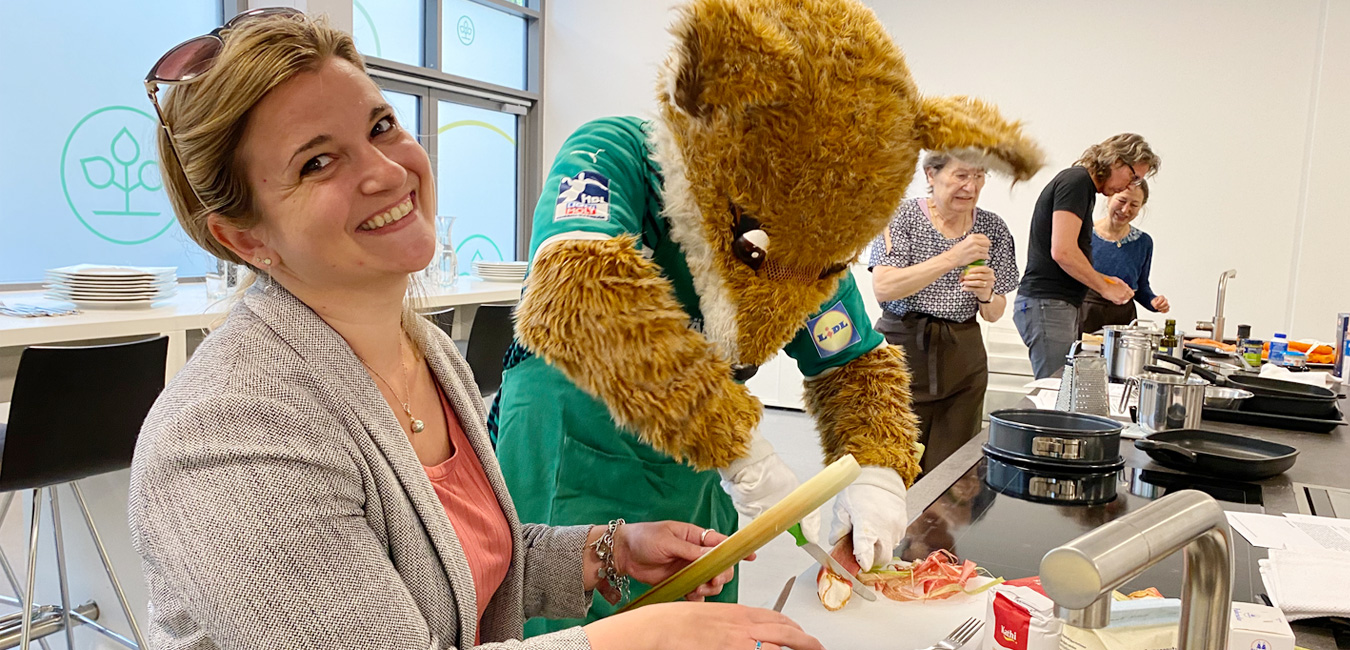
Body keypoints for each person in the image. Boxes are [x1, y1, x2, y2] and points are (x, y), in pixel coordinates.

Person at [128, 10, 825, 650]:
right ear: (244, 238)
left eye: (379, 127)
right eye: (317, 161)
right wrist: (629, 641)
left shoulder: (425, 353)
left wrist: (607, 551)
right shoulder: (228, 436)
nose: (386, 170)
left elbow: (459, 571)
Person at [488, 0, 1044, 635]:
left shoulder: (811, 248)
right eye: (765, 244)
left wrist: (880, 472)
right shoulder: (613, 155)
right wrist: (741, 451)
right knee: (584, 631)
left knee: (704, 621)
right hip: (574, 436)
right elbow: (578, 296)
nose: (795, 281)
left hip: (699, 459)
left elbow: (854, 359)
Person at [868, 152, 1019, 473]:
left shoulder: (993, 227)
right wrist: (953, 257)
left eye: (979, 177)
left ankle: (940, 525)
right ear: (931, 175)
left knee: (952, 475)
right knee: (889, 467)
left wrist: (986, 293)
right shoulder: (902, 216)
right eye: (961, 175)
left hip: (962, 358)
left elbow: (994, 313)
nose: (971, 186)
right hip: (901, 351)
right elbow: (884, 286)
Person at [1014, 133, 1161, 378]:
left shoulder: (1083, 187)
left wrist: (1106, 280)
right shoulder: (1077, 181)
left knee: (1062, 390)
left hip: (1055, 304)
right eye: (1132, 177)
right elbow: (1063, 251)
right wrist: (1104, 287)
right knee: (1055, 391)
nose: (1128, 186)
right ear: (1115, 160)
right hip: (1048, 302)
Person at [1077, 181, 1170, 334]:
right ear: (1108, 198)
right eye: (1121, 201)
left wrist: (1154, 302)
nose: (1125, 209)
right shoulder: (1084, 234)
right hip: (1085, 314)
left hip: (1123, 321)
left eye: (1134, 205)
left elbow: (1140, 287)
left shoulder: (1143, 242)